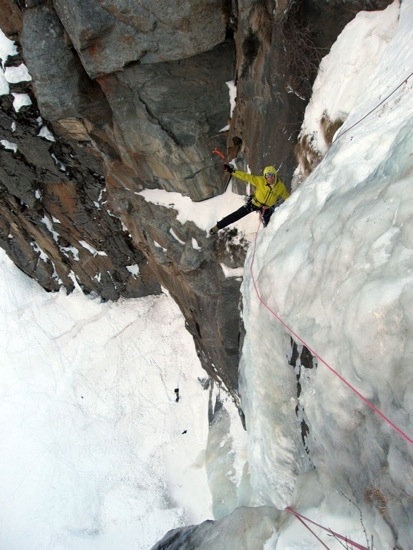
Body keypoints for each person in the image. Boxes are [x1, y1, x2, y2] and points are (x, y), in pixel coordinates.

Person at [209, 164, 290, 234]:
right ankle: (218, 226)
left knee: (270, 226)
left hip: (267, 208)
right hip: (255, 203)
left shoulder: (280, 187)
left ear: (275, 175)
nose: (270, 178)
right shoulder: (260, 181)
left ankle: (268, 239)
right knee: (237, 215)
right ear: (265, 177)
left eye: (272, 175)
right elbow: (246, 177)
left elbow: (287, 197)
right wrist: (232, 171)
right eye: (268, 176)